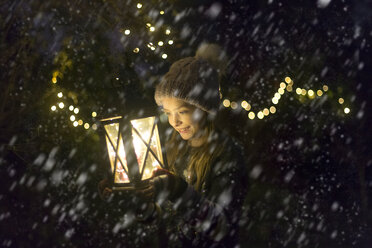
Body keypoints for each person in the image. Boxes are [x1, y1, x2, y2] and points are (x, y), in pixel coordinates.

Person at [99, 44, 248, 247]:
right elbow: (165, 220)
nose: (174, 121)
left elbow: (222, 227)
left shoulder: (227, 154)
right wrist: (136, 196)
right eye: (168, 113)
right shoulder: (174, 148)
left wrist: (178, 190)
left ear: (204, 108)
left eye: (182, 111)